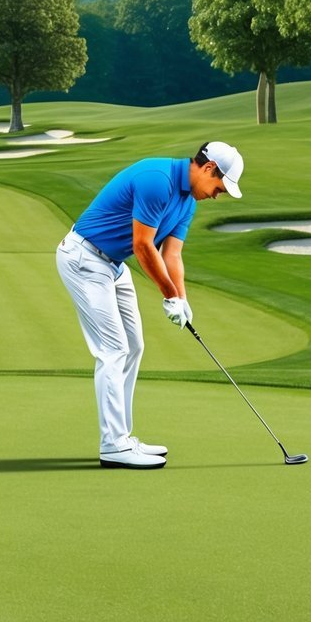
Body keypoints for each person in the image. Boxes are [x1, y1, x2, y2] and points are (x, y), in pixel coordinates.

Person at [55, 141, 243, 469]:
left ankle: (122, 437)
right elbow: (143, 246)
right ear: (209, 169)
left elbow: (172, 255)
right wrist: (168, 294)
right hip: (84, 257)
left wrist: (181, 299)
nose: (217, 195)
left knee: (135, 346)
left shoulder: (187, 203)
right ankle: (112, 445)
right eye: (219, 188)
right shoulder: (158, 179)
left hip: (112, 264)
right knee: (113, 350)